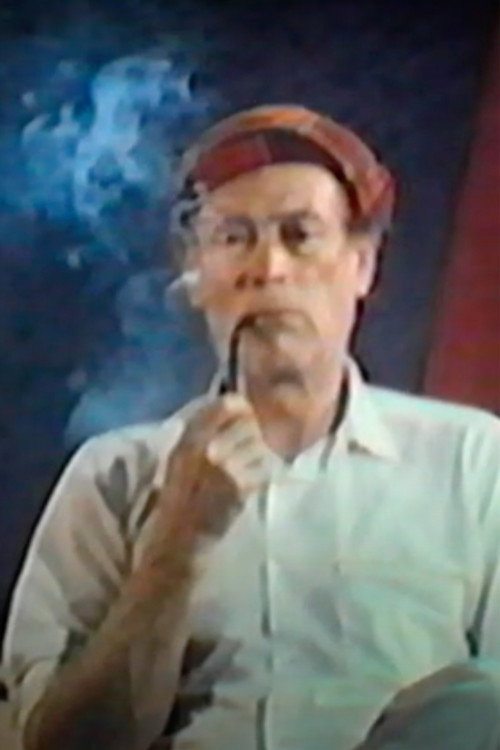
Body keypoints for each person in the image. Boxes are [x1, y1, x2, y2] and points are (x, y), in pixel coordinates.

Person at [2, 104, 500, 750]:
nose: (268, 270)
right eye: (234, 238)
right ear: (196, 276)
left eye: (300, 235)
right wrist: (177, 543)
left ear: (362, 266)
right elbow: (51, 743)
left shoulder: (474, 463)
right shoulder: (113, 475)